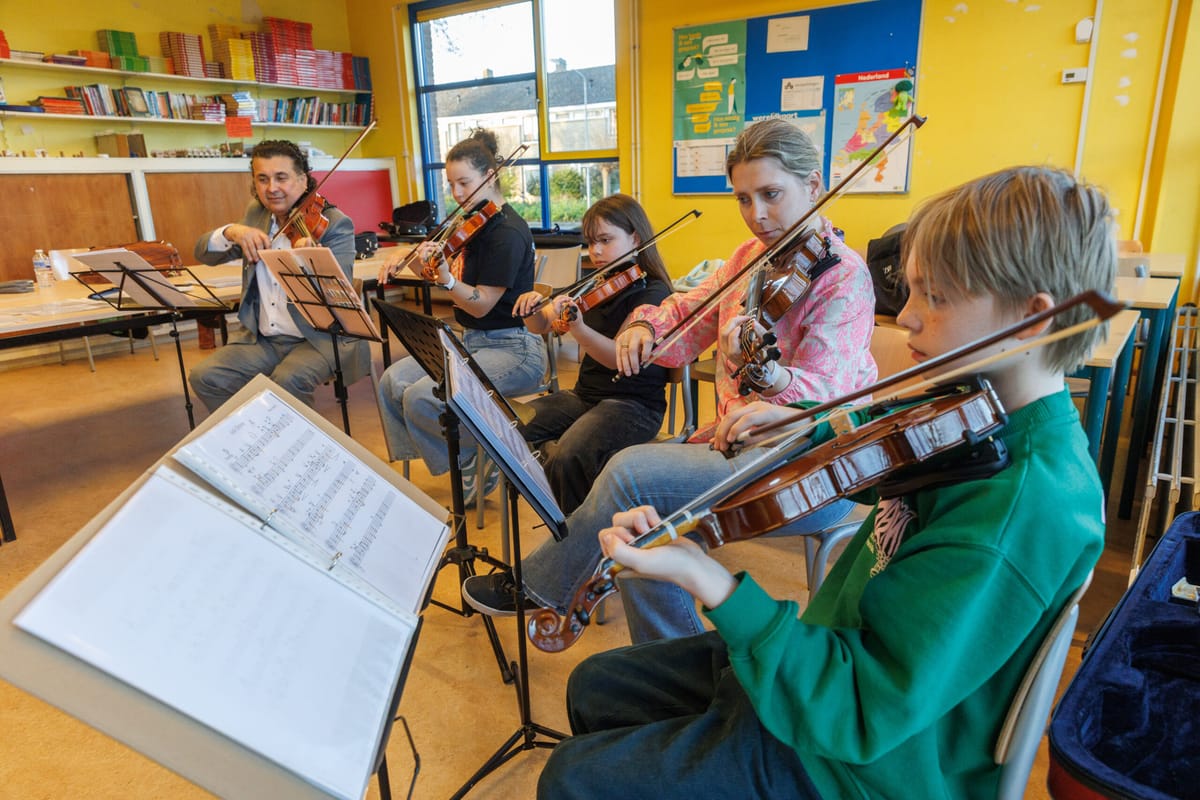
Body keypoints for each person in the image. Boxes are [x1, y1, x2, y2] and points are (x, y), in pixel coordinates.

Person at [538, 165, 1115, 800]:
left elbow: (863, 709)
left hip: (854, 759)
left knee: (573, 780)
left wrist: (713, 582)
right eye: (911, 291)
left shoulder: (1020, 508)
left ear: (1033, 320)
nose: (907, 318)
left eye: (937, 296)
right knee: (595, 685)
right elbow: (873, 436)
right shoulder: (973, 408)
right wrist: (802, 424)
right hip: (818, 662)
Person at [464, 118, 877, 643]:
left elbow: (822, 397)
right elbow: (683, 315)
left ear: (814, 186)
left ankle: (543, 586)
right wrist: (643, 323)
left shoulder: (844, 276)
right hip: (735, 445)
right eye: (744, 199)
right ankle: (669, 658)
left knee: (632, 473)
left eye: (771, 194)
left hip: (809, 466)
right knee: (637, 526)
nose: (758, 215)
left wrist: (767, 374)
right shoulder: (751, 261)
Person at [376, 129, 546, 505]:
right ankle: (456, 464)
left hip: (514, 348)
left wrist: (448, 280)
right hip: (470, 342)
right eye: (451, 184)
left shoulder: (507, 233)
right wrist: (407, 259)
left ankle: (476, 461)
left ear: (490, 175)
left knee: (424, 395)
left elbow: (481, 304)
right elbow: (433, 265)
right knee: (392, 381)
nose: (456, 194)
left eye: (464, 183)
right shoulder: (471, 225)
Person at [513, 194, 673, 514]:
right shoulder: (597, 284)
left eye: (605, 240)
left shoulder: (654, 292)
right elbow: (542, 324)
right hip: (585, 396)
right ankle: (568, 511)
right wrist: (532, 307)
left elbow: (620, 358)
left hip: (633, 405)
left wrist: (579, 330)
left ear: (636, 238)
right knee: (510, 429)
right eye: (591, 242)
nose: (596, 251)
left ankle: (576, 534)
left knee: (567, 455)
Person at [190, 139, 369, 411]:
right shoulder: (256, 214)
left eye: (281, 178)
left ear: (303, 180)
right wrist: (232, 232)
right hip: (263, 340)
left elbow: (339, 292)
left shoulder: (334, 224)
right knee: (206, 377)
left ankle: (297, 448)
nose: (271, 188)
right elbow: (204, 254)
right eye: (262, 179)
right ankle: (259, 440)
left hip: (318, 339)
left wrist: (312, 263)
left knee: (287, 381)